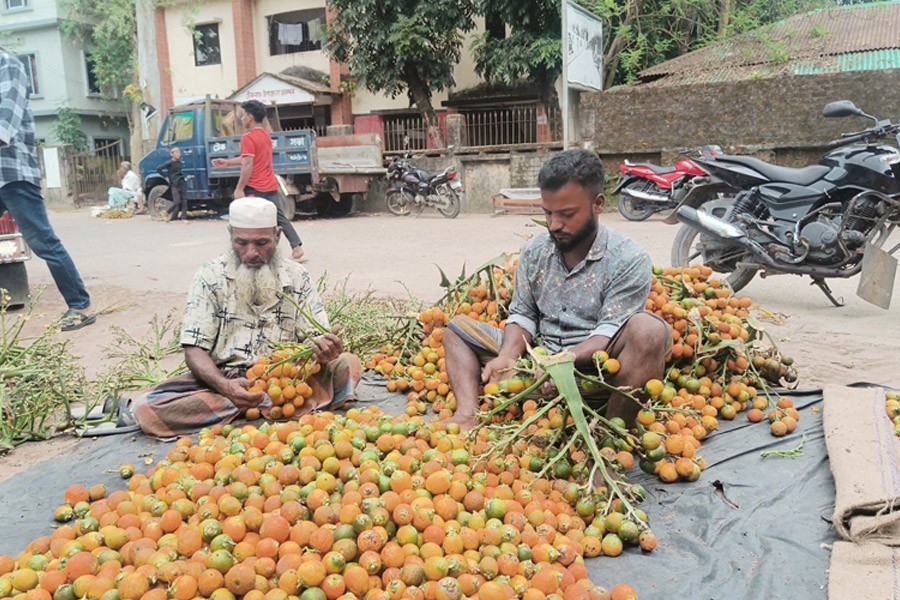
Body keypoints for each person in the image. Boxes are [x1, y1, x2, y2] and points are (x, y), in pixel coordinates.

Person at [443, 149, 670, 431]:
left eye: (567, 214)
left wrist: (564, 361)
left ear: (598, 204)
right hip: (537, 365)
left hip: (595, 376)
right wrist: (508, 356)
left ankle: (612, 434)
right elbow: (523, 313)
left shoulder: (628, 259)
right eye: (547, 213)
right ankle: (467, 415)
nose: (554, 225)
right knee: (455, 330)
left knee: (649, 330)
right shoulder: (534, 252)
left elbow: (608, 331)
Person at [130, 196, 360, 438]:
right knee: (147, 408)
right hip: (226, 380)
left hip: (287, 379)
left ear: (278, 235)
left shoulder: (297, 276)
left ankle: (247, 408)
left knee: (348, 364)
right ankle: (268, 406)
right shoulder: (210, 276)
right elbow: (194, 350)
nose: (251, 253)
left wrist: (325, 351)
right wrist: (225, 386)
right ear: (230, 235)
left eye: (262, 243)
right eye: (241, 243)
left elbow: (316, 338)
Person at [0, 49, 95, 331]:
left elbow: (5, 122)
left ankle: (81, 305)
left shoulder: (8, 65)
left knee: (43, 242)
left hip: (13, 173)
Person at [212, 100, 305, 261]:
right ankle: (296, 248)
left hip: (254, 186)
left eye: (243, 116)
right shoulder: (265, 136)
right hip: (269, 184)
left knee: (240, 218)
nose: (241, 119)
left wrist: (240, 188)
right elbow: (247, 158)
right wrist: (227, 162)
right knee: (279, 217)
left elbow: (248, 163)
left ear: (250, 117)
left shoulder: (248, 137)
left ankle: (234, 254)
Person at [156, 148, 187, 221]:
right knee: (177, 201)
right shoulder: (169, 162)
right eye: (176, 152)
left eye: (179, 152)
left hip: (181, 182)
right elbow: (158, 168)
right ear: (172, 154)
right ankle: (166, 212)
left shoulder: (179, 162)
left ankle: (183, 218)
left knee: (185, 200)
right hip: (174, 183)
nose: (178, 154)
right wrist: (166, 176)